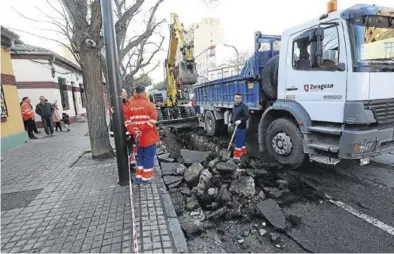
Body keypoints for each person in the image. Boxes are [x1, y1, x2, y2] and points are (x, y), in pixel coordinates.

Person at [124, 85, 159, 184]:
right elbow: (152, 122)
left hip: (136, 138)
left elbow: (127, 123)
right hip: (149, 138)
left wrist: (134, 131)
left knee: (140, 157)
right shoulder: (150, 106)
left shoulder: (130, 106)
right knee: (148, 157)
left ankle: (139, 178)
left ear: (136, 93)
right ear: (144, 93)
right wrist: (141, 129)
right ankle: (146, 179)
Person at [109, 88, 137, 171]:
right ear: (120, 94)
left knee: (131, 148)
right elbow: (121, 121)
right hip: (124, 132)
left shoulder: (124, 104)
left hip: (128, 131)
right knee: (127, 149)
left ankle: (131, 164)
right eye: (125, 93)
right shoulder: (118, 106)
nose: (126, 94)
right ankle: (129, 166)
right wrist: (127, 133)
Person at [230, 92, 249, 160]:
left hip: (241, 127)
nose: (238, 99)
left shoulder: (244, 106)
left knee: (238, 142)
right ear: (234, 98)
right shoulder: (234, 106)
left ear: (241, 99)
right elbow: (233, 115)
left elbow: (247, 116)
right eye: (236, 98)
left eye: (239, 98)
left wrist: (240, 120)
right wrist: (230, 122)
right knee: (242, 141)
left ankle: (237, 157)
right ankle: (243, 153)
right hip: (236, 127)